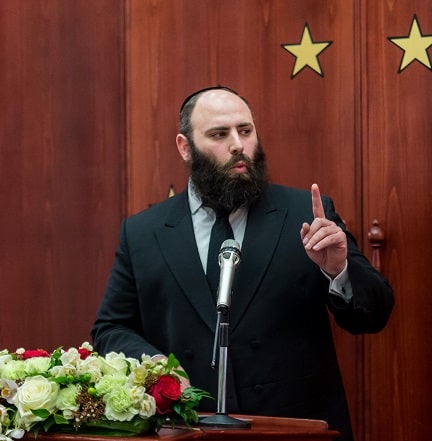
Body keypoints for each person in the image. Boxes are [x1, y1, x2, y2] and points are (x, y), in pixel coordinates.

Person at [91, 86, 394, 441]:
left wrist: (338, 270)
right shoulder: (144, 232)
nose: (238, 144)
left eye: (245, 130)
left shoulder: (306, 214)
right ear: (185, 147)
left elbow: (374, 314)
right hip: (188, 429)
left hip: (292, 429)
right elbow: (110, 328)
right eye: (220, 134)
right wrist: (156, 364)